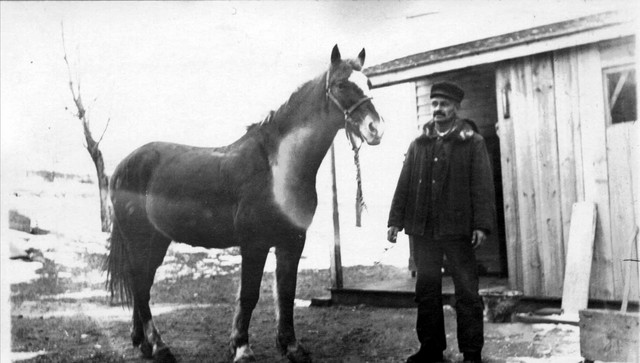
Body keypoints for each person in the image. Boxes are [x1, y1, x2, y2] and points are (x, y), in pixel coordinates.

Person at [387, 82, 496, 363]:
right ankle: (431, 349)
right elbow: (404, 184)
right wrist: (395, 220)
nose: (438, 109)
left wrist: (482, 225)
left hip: (458, 231)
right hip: (423, 231)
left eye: (444, 104)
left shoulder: (472, 142)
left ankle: (471, 353)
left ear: (456, 108)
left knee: (468, 294)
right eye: (434, 104)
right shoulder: (419, 143)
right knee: (426, 291)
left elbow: (482, 186)